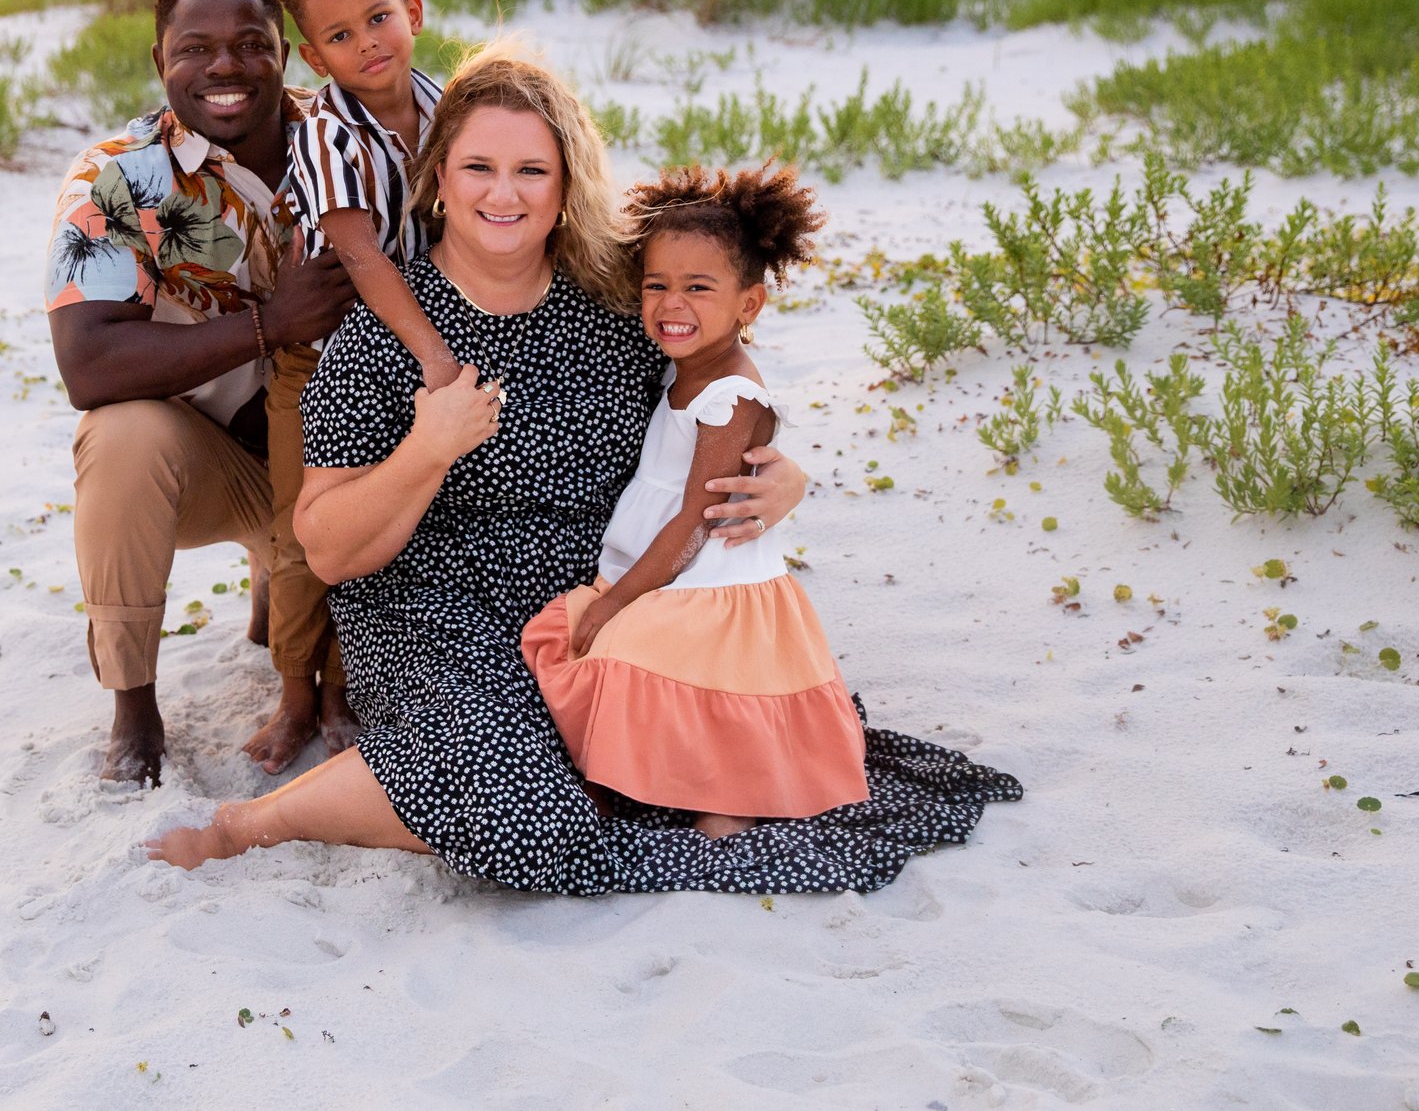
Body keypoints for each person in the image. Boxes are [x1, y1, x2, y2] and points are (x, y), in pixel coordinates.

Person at [150, 43, 1014, 892]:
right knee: (533, 811)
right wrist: (430, 447)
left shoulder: (618, 317)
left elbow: (719, 402)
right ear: (439, 178)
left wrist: (785, 473)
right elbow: (328, 548)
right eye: (479, 166)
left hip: (597, 606)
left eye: (532, 170)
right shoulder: (378, 339)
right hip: (433, 621)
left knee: (732, 756)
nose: (503, 192)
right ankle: (251, 824)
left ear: (564, 188)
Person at [43, 0, 356, 785]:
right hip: (213, 466)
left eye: (251, 43)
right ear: (159, 62)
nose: (225, 66)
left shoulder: (347, 151)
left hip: (344, 467)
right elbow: (88, 362)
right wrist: (270, 323)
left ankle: (283, 588)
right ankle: (134, 704)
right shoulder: (118, 175)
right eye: (196, 49)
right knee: (121, 434)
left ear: (284, 52)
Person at [521, 163, 869, 841]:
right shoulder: (686, 369)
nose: (671, 304)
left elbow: (693, 521)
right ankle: (633, 785)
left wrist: (621, 598)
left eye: (698, 288)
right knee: (566, 637)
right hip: (671, 575)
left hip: (711, 588)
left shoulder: (730, 396)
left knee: (627, 652)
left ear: (749, 304)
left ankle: (726, 804)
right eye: (657, 285)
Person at [247, 0, 453, 774]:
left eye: (377, 19)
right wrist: (437, 358)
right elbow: (362, 255)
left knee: (395, 516)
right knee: (308, 533)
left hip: (409, 347)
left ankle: (352, 678)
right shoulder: (329, 135)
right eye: (339, 35)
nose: (366, 43)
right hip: (326, 360)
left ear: (410, 11)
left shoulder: (447, 104)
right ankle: (300, 691)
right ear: (311, 55)